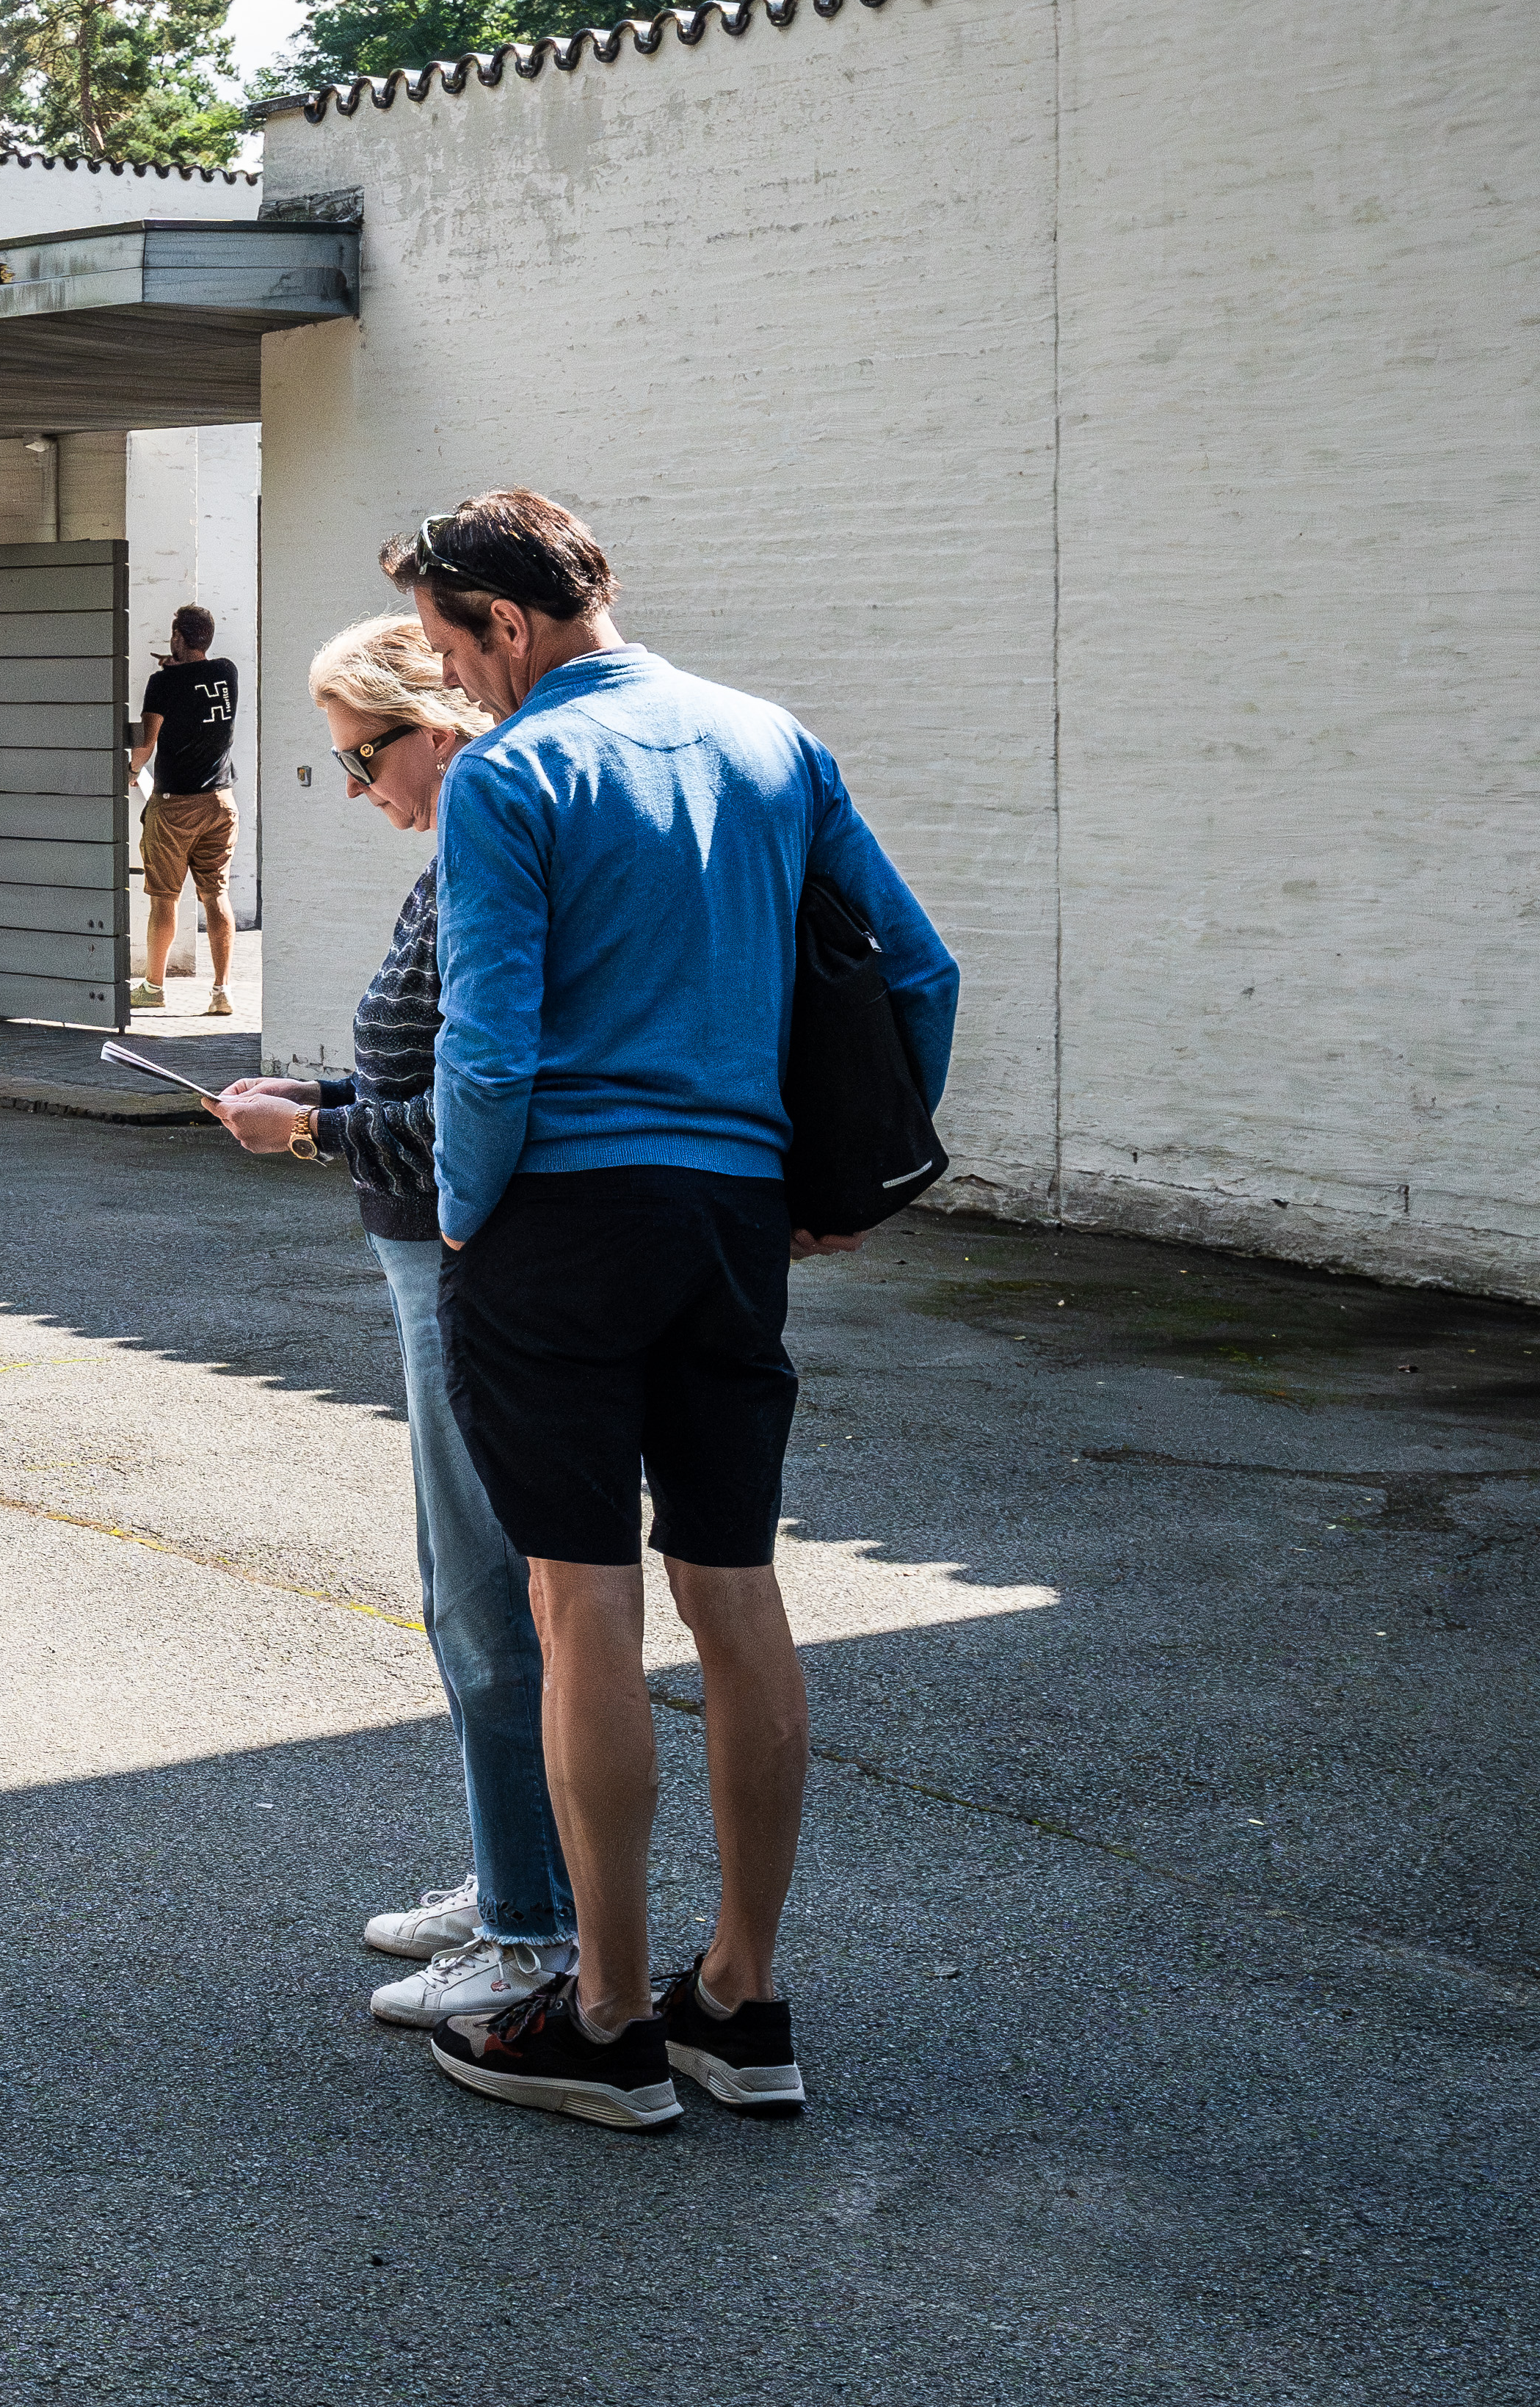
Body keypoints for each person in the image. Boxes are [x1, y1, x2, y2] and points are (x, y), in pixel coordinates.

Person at [388, 489, 955, 2134]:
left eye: (450, 646)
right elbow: (918, 974)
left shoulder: (514, 772)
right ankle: (746, 2002)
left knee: (585, 1610)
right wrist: (835, 1186)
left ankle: (615, 2022)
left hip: (559, 1216)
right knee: (737, 1587)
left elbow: (487, 1050)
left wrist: (464, 1215)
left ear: (505, 620)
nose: (458, 684)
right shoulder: (774, 741)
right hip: (731, 1216)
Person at [203, 617, 574, 2036]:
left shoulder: (483, 854)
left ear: (438, 722)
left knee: (483, 1597)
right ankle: (512, 1876)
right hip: (431, 1251)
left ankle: (530, 1925)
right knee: (470, 1586)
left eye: (362, 755)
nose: (356, 789)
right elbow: (429, 1084)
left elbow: (477, 1112)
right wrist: (313, 1104)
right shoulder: (462, 860)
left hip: (458, 1263)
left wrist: (309, 1128)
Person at [127, 605, 240, 1015]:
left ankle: (154, 988)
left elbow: (146, 744)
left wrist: (132, 770)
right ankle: (222, 992)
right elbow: (197, 680)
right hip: (221, 801)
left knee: (165, 899)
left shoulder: (162, 683)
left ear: (177, 637)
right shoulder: (228, 672)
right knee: (217, 895)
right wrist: (178, 665)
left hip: (175, 806)